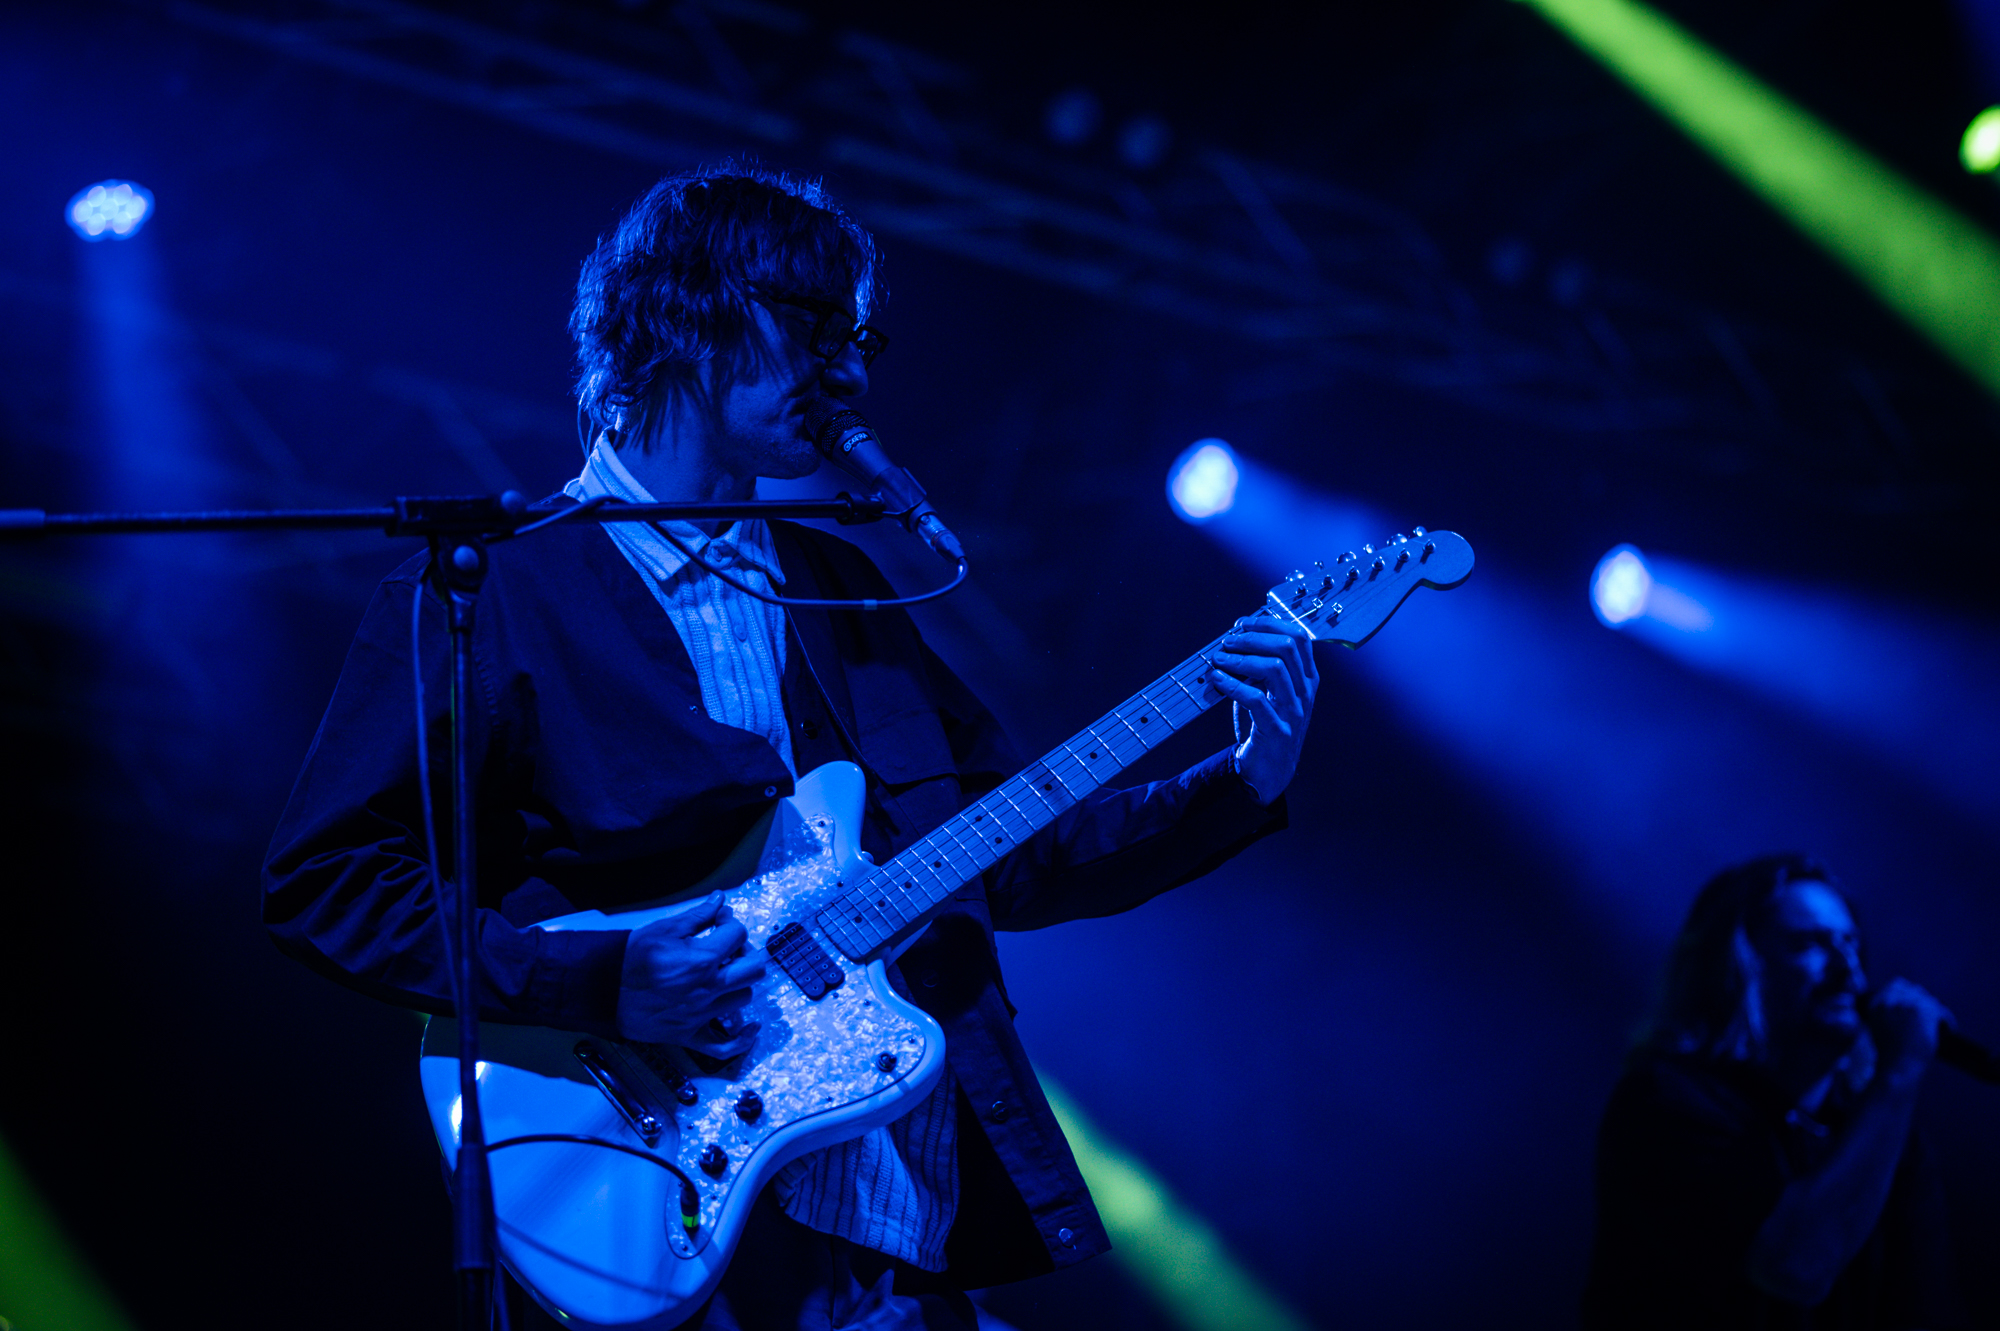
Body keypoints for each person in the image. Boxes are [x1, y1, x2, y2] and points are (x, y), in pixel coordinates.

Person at [262, 162, 1318, 1330]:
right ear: (687, 310)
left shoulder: (838, 586)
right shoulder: (493, 589)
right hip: (663, 1194)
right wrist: (597, 977)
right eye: (817, 327)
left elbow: (1005, 850)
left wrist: (1239, 780)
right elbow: (327, 878)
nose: (849, 374)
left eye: (857, 341)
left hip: (890, 1212)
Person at [1581, 854, 1967, 1329]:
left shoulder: (1889, 1140)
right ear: (1736, 969)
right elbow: (1794, 1267)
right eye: (1809, 944)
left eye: (1851, 943)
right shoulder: (1665, 1104)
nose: (1848, 968)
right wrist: (1899, 1072)